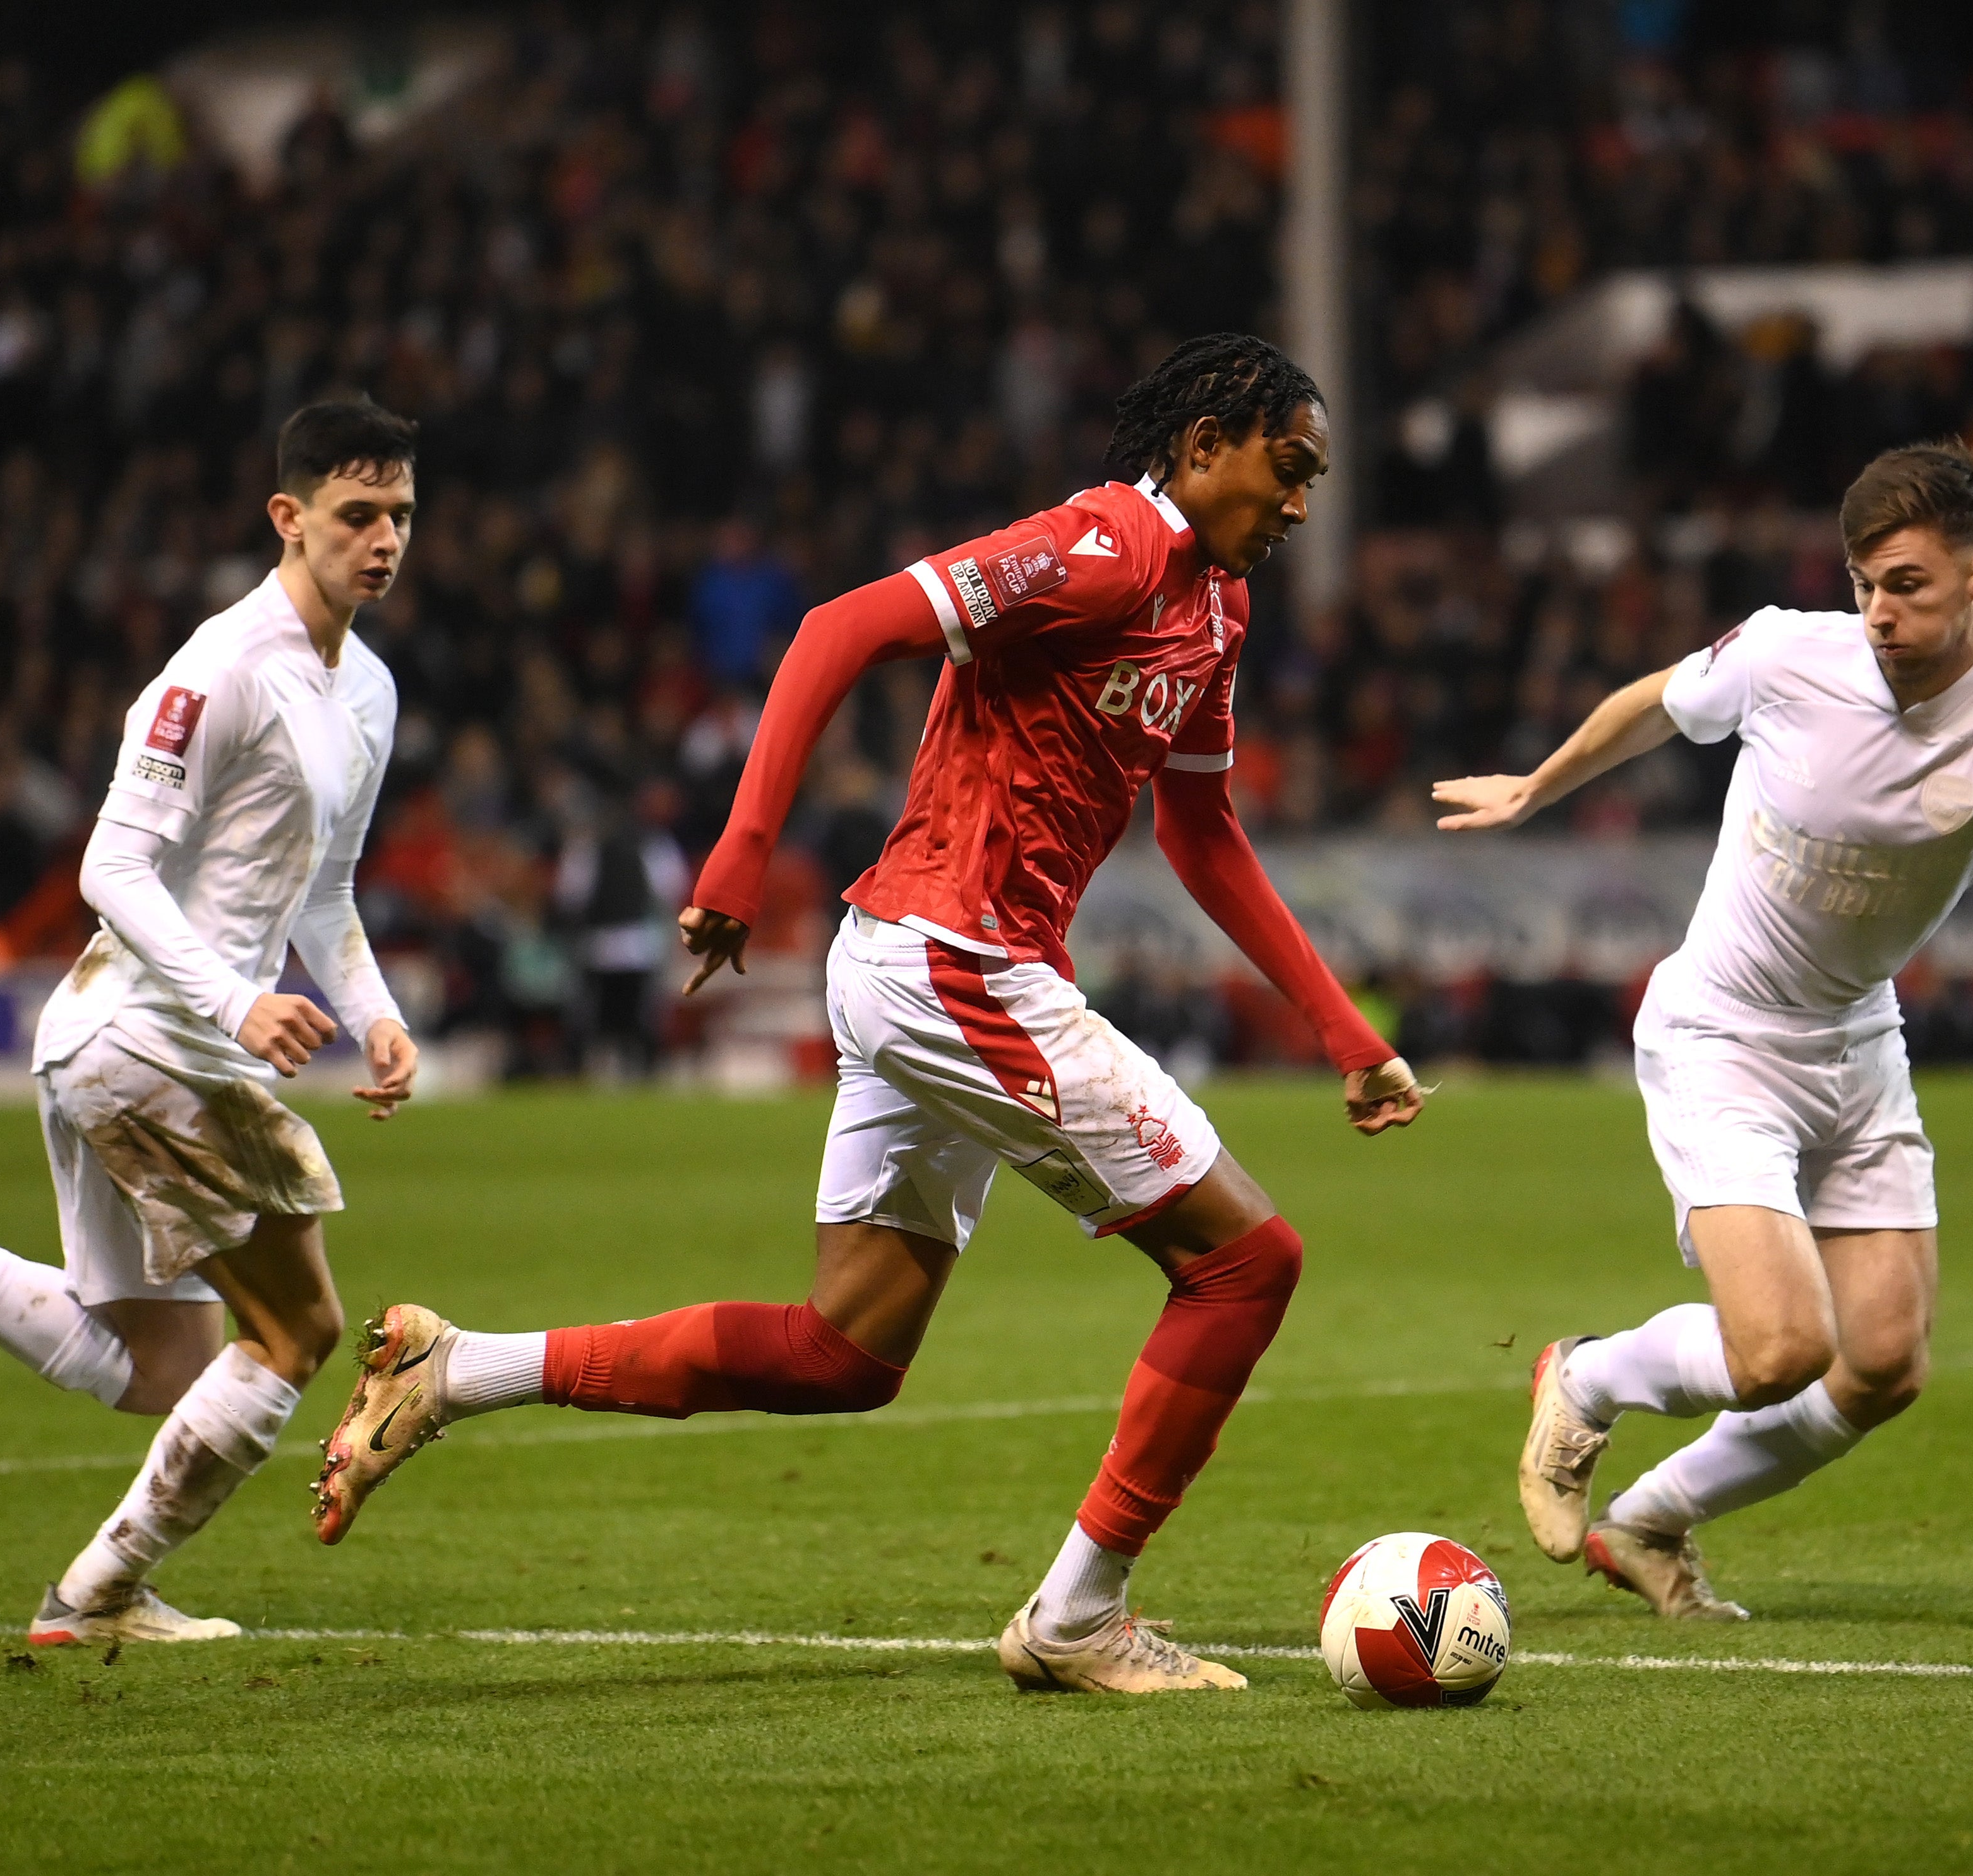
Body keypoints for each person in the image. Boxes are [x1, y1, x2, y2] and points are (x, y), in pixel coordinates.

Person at [311, 334, 1427, 1693]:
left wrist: (1338, 1023)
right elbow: (840, 628)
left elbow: (1202, 835)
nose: (1302, 503)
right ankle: (1078, 1617)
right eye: (1288, 468)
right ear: (1204, 447)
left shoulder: (1216, 609)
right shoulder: (1105, 548)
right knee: (1248, 1265)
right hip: (953, 957)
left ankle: (459, 1368)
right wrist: (741, 846)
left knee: (844, 1351)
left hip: (939, 966)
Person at [0, 401, 424, 1646]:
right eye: (357, 514)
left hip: (139, 1045)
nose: (383, 540)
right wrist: (237, 1001)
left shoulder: (367, 690)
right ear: (289, 517)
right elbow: (111, 867)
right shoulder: (217, 668)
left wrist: (375, 1013)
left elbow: (324, 891)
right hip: (147, 1036)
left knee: (160, 1370)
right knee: (302, 1327)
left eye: (402, 516)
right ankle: (96, 1593)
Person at [1436, 440, 1973, 1620]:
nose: (1875, 611)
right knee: (1777, 1353)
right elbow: (1652, 705)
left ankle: (1651, 1524)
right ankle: (1587, 1378)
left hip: (1856, 1045)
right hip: (1722, 1036)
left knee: (1884, 1365)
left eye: (1905, 584)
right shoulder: (1784, 655)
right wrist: (1533, 789)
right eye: (1863, 582)